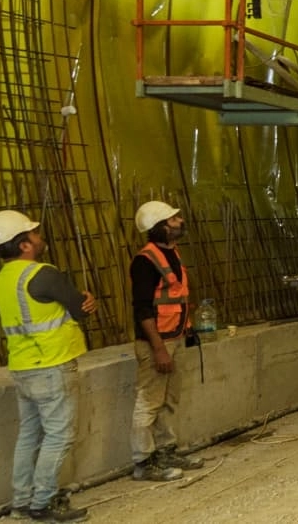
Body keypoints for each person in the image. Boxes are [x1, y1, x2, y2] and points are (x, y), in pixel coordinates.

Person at [0, 209, 97, 522]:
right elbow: (80, 308)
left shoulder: (2, 280)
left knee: (29, 436)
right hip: (52, 365)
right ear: (24, 245)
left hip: (22, 367)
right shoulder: (43, 274)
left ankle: (22, 502)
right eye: (33, 233)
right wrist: (86, 301)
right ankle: (43, 502)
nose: (39, 236)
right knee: (59, 436)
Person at [128, 201, 205, 482]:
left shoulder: (171, 253)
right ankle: (143, 461)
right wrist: (159, 349)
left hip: (174, 338)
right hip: (156, 343)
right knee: (149, 402)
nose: (179, 221)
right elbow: (143, 310)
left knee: (168, 400)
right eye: (173, 219)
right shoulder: (145, 261)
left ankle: (165, 451)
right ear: (160, 227)